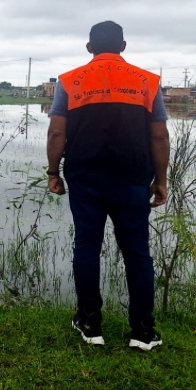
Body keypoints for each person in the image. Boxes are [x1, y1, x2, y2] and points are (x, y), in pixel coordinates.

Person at [46, 21, 169, 351]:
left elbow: (57, 133)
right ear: (123, 46)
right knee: (137, 253)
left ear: (89, 48)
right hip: (132, 179)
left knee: (86, 247)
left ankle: (90, 323)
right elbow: (159, 135)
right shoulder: (148, 82)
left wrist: (53, 172)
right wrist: (161, 180)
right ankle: (143, 331)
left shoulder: (70, 82)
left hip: (85, 178)